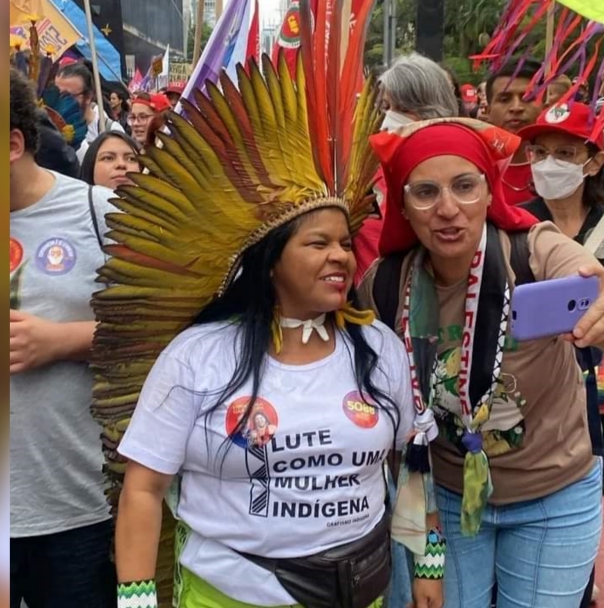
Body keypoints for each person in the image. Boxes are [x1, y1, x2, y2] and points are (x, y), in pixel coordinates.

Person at [100, 51, 443, 608]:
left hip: (363, 590)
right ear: (271, 262)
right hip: (230, 595)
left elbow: (410, 461)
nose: (340, 257)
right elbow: (143, 488)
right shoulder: (198, 356)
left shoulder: (378, 347)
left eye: (343, 242)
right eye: (317, 243)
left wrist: (428, 559)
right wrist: (137, 600)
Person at [361, 117, 604, 608]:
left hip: (554, 496)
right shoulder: (384, 287)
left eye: (465, 186)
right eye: (425, 192)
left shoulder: (534, 252)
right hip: (443, 495)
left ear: (489, 192)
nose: (447, 209)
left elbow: (594, 286)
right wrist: (427, 551)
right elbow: (396, 439)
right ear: (402, 205)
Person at [9, 67, 118, 608]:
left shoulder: (97, 213)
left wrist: (62, 340)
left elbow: (167, 331)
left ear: (10, 144)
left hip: (75, 507)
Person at [516, 101, 604, 607]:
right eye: (540, 152)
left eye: (565, 152)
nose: (549, 164)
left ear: (593, 162)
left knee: (592, 481)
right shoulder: (513, 227)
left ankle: (576, 575)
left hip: (601, 396)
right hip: (531, 401)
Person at [356, 53, 460, 283]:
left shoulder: (462, 176)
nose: (390, 117)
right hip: (368, 305)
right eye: (385, 106)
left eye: (403, 108)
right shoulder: (361, 174)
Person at [484, 57, 545, 206]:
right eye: (505, 99)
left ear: (546, 105)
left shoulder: (565, 164)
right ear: (488, 111)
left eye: (528, 97)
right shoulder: (473, 165)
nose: (516, 107)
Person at [54, 60, 125, 163]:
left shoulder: (110, 130)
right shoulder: (49, 128)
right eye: (57, 94)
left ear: (88, 97)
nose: (62, 101)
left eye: (68, 96)